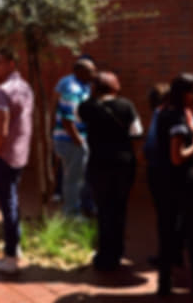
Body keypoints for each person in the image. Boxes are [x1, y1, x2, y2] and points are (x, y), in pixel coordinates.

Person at [154, 73, 193, 298]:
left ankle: (164, 282)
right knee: (191, 232)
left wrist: (192, 135)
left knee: (166, 231)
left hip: (165, 182)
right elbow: (177, 157)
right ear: (183, 93)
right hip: (182, 183)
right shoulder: (178, 117)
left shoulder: (165, 113)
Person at [79, 71, 143, 271]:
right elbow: (137, 132)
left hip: (99, 165)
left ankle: (104, 255)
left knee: (103, 209)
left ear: (95, 88)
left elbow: (77, 117)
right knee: (119, 209)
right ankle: (117, 252)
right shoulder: (127, 105)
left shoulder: (87, 107)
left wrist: (93, 96)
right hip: (123, 164)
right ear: (115, 87)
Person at [0, 47, 34, 274]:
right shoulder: (26, 88)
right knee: (12, 200)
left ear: (11, 64)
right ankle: (16, 247)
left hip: (5, 156)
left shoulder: (3, 90)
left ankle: (10, 258)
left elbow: (0, 131)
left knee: (8, 205)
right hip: (21, 154)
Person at [52, 58, 96, 215]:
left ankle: (81, 207)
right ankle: (71, 213)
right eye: (91, 71)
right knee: (73, 180)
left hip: (76, 139)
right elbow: (67, 120)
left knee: (79, 177)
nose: (94, 74)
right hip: (70, 140)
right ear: (79, 72)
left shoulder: (84, 86)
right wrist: (79, 142)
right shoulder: (72, 89)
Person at [143, 82, 173, 267]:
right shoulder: (183, 113)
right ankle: (174, 252)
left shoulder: (160, 114)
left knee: (164, 215)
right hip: (175, 171)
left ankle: (165, 255)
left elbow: (152, 144)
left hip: (160, 170)